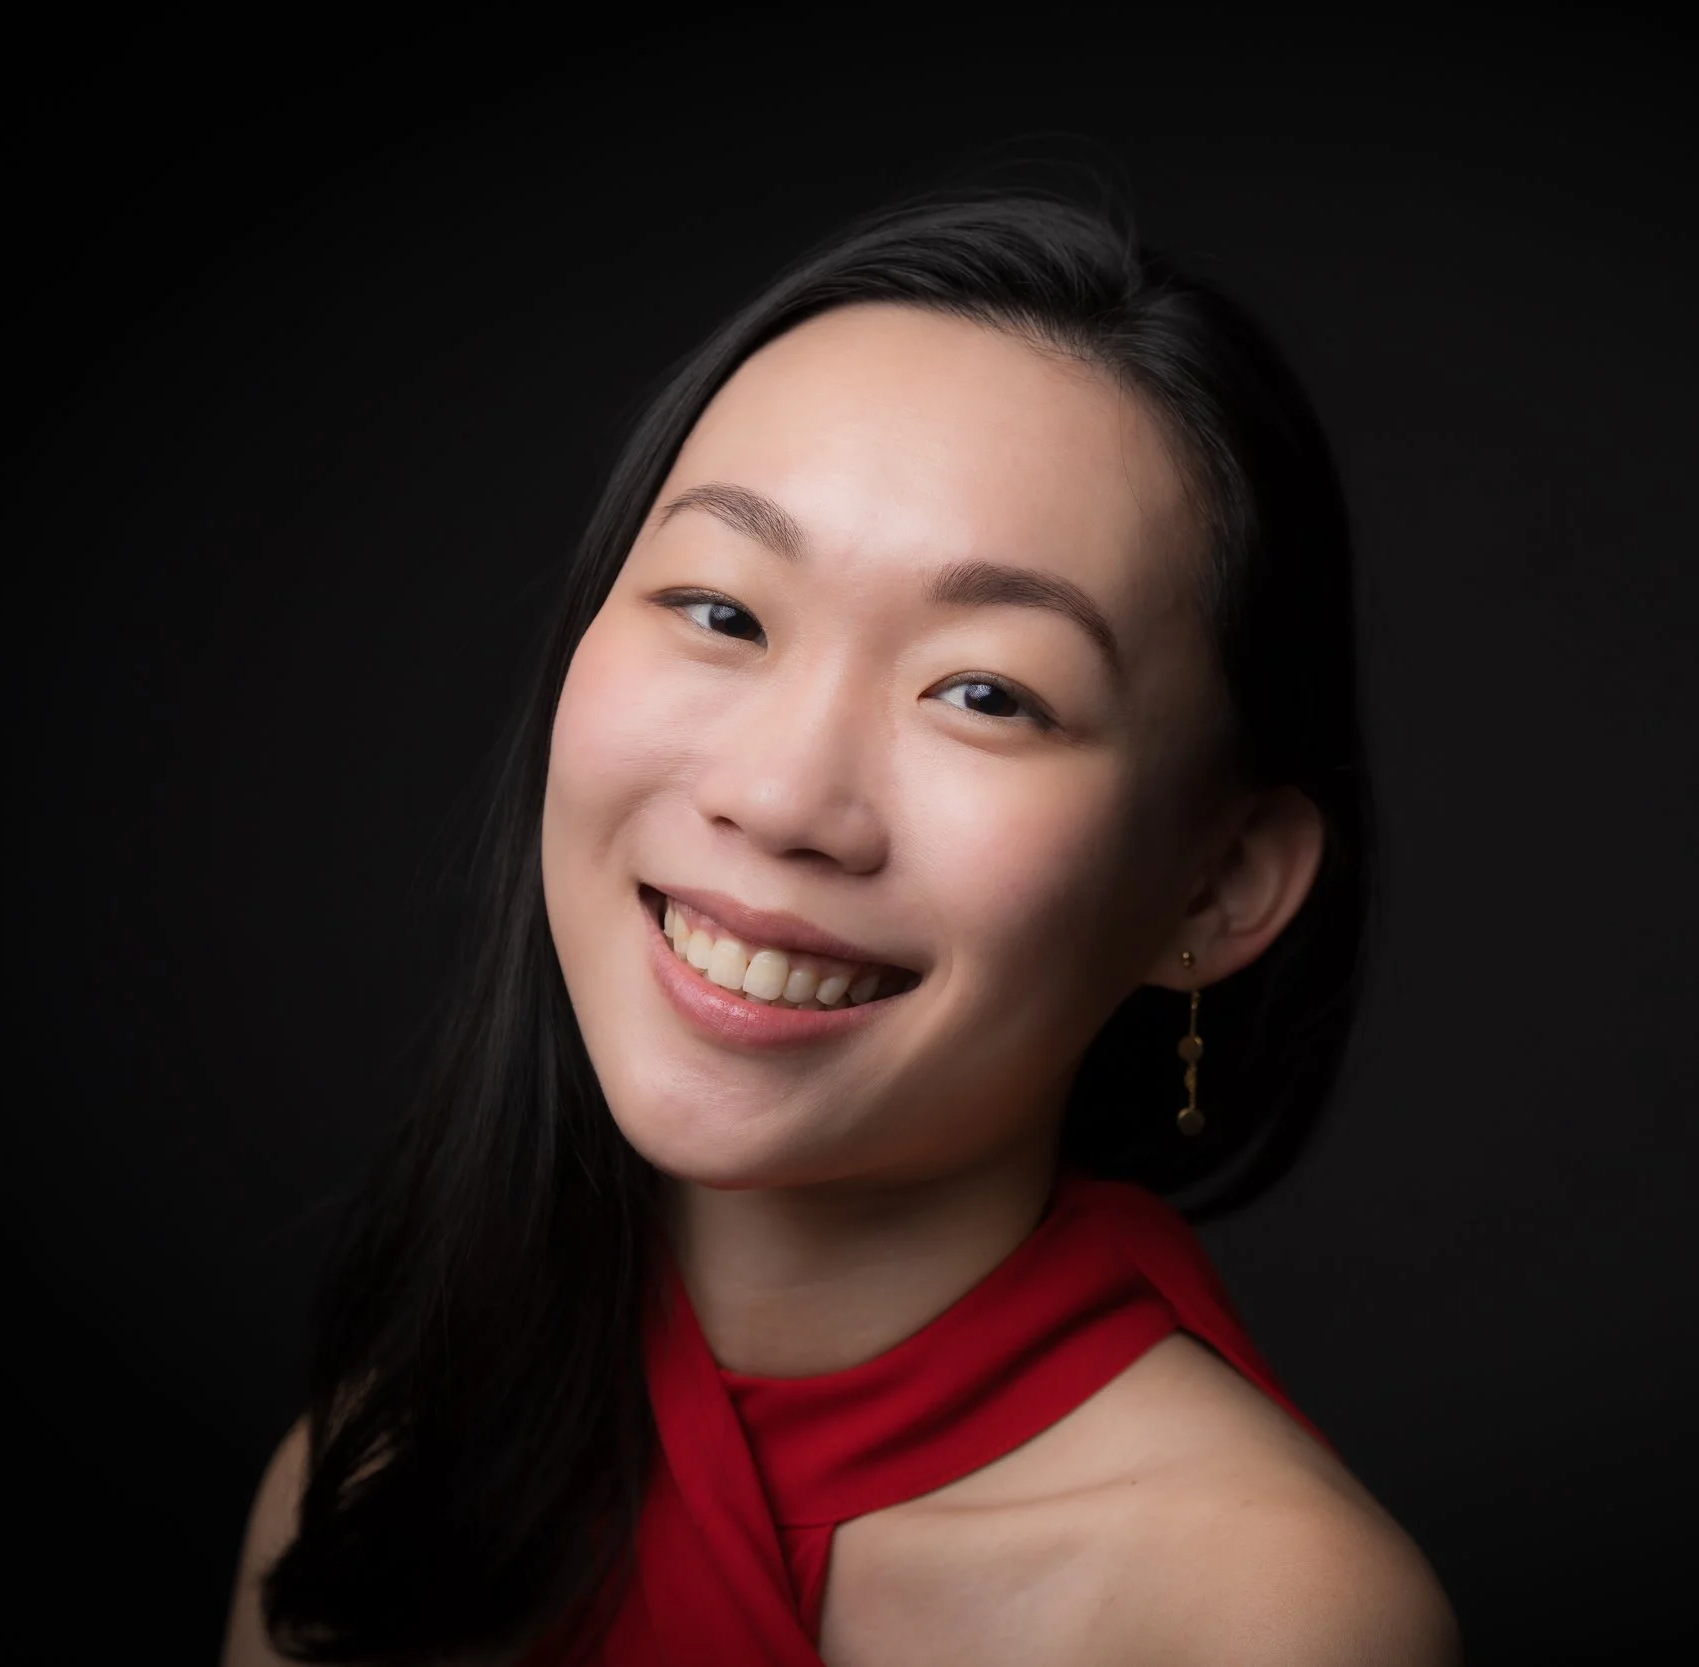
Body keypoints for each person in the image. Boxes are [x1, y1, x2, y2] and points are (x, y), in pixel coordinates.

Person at [220, 189, 1462, 1666]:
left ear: (1218, 888)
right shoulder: (372, 1470)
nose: (782, 795)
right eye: (722, 610)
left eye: (987, 692)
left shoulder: (1264, 1621)